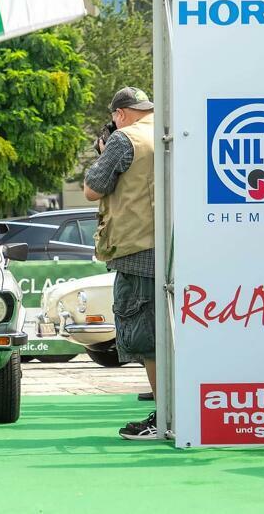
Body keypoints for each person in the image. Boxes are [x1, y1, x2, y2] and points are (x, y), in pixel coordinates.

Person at [83, 86, 157, 441]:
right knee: (169, 332)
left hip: (137, 246)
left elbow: (93, 188)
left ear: (120, 114)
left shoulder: (123, 139)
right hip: (173, 246)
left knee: (146, 337)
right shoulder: (168, 130)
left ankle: (165, 415)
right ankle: (176, 410)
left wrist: (101, 152)